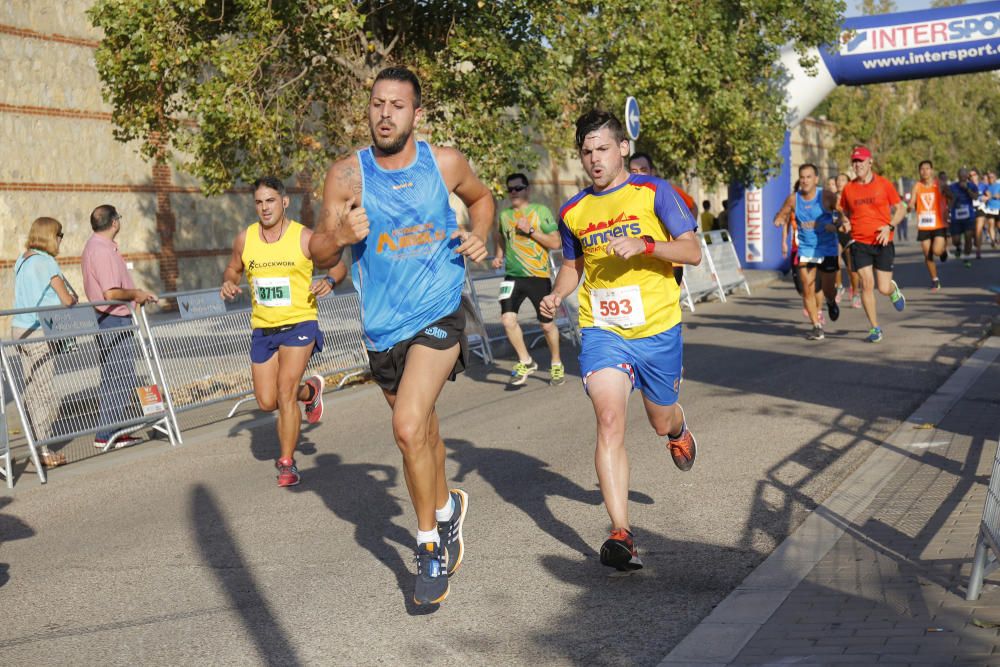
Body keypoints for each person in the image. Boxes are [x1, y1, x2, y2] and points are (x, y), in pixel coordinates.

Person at [309, 66, 492, 606]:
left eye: (396, 105)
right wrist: (338, 236)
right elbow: (319, 250)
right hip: (382, 325)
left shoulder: (445, 163)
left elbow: (483, 201)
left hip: (438, 308)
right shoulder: (347, 176)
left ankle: (429, 544)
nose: (384, 114)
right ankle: (447, 509)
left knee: (408, 426)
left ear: (416, 113)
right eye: (376, 104)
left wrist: (479, 236)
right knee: (425, 431)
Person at [540, 110, 701, 572]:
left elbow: (690, 250)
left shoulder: (654, 192)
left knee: (658, 418)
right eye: (586, 151)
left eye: (602, 148)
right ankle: (621, 533)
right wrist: (556, 294)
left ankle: (676, 428)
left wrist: (647, 246)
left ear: (623, 148)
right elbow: (573, 267)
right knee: (609, 418)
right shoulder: (573, 211)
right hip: (602, 330)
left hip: (657, 329)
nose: (594, 158)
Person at [221, 176, 345, 487]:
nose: (264, 208)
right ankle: (312, 391)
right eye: (259, 202)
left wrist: (329, 281)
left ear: (284, 202)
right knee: (266, 401)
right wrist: (229, 282)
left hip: (300, 324)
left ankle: (287, 462)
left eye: (271, 201)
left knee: (285, 392)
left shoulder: (304, 237)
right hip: (264, 328)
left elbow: (339, 263)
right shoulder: (245, 239)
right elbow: (234, 268)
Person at [81, 205, 158, 449]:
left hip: (109, 318)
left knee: (113, 376)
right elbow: (111, 292)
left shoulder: (97, 246)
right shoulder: (101, 250)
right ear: (114, 222)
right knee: (121, 376)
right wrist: (137, 293)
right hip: (114, 317)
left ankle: (112, 430)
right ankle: (105, 433)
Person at [12, 217, 78, 467]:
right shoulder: (47, 262)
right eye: (60, 235)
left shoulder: (23, 258)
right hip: (40, 331)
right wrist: (72, 298)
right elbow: (66, 299)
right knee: (46, 394)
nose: (61, 240)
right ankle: (43, 450)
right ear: (52, 235)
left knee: (31, 390)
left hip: (19, 330)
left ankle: (36, 444)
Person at [491, 172, 564, 386]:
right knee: (507, 319)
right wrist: (498, 255)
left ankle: (556, 362)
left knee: (547, 326)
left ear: (527, 189)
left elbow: (555, 242)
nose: (513, 192)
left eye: (518, 188)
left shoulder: (540, 211)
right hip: (512, 276)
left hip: (538, 276)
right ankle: (526, 360)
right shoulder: (504, 216)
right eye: (510, 189)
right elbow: (500, 237)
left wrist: (530, 230)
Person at [837, 146, 907, 343]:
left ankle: (893, 291)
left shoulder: (884, 184)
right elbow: (843, 212)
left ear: (870, 162)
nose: (857, 165)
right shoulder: (849, 189)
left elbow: (900, 208)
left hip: (883, 241)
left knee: (883, 288)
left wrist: (889, 226)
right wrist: (844, 221)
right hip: (859, 242)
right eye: (854, 161)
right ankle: (875, 328)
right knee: (867, 284)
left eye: (860, 161)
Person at [773, 164, 840, 339]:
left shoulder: (826, 196)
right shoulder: (793, 199)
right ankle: (816, 326)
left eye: (808, 177)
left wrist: (837, 225)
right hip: (806, 248)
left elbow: (842, 215)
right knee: (807, 288)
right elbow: (781, 214)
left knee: (827, 290)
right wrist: (779, 220)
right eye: (802, 177)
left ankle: (831, 301)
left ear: (816, 179)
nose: (804, 180)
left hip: (827, 248)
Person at [910, 159, 951, 292]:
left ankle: (943, 251)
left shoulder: (940, 184)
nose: (925, 171)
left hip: (938, 223)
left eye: (927, 168)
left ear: (932, 170)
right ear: (919, 172)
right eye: (922, 169)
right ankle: (935, 280)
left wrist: (948, 208)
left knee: (937, 251)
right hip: (924, 225)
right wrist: (909, 207)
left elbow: (951, 197)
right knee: (927, 254)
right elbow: (911, 201)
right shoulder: (917, 186)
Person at [834, 173, 861, 308]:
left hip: (850, 233)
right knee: (835, 261)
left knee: (852, 268)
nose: (839, 182)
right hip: (836, 232)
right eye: (838, 180)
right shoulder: (831, 198)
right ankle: (839, 287)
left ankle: (855, 293)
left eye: (843, 180)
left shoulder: (852, 196)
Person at [949, 168, 978, 267]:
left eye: (964, 175)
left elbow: (975, 197)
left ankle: (966, 258)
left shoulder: (972, 185)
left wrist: (967, 189)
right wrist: (954, 198)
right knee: (955, 240)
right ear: (958, 176)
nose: (963, 177)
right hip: (956, 217)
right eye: (961, 175)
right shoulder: (952, 187)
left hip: (969, 216)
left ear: (967, 176)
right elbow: (948, 201)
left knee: (968, 237)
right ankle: (958, 247)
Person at [984, 171, 999, 248]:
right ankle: (993, 241)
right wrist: (985, 197)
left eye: (992, 177)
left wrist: (996, 196)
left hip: (998, 208)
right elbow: (983, 197)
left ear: (995, 177)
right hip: (990, 208)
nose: (990, 179)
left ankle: (996, 239)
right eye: (989, 177)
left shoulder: (999, 185)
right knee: (991, 225)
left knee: (999, 225)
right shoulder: (986, 187)